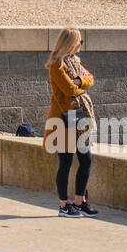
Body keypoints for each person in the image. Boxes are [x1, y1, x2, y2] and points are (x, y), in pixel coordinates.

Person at [46, 28, 97, 218]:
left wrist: (79, 81)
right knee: (66, 161)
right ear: (70, 43)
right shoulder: (57, 64)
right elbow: (68, 89)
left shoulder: (75, 62)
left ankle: (79, 201)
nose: (81, 45)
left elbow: (90, 79)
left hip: (79, 115)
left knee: (86, 158)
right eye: (79, 41)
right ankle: (63, 205)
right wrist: (79, 85)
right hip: (63, 118)